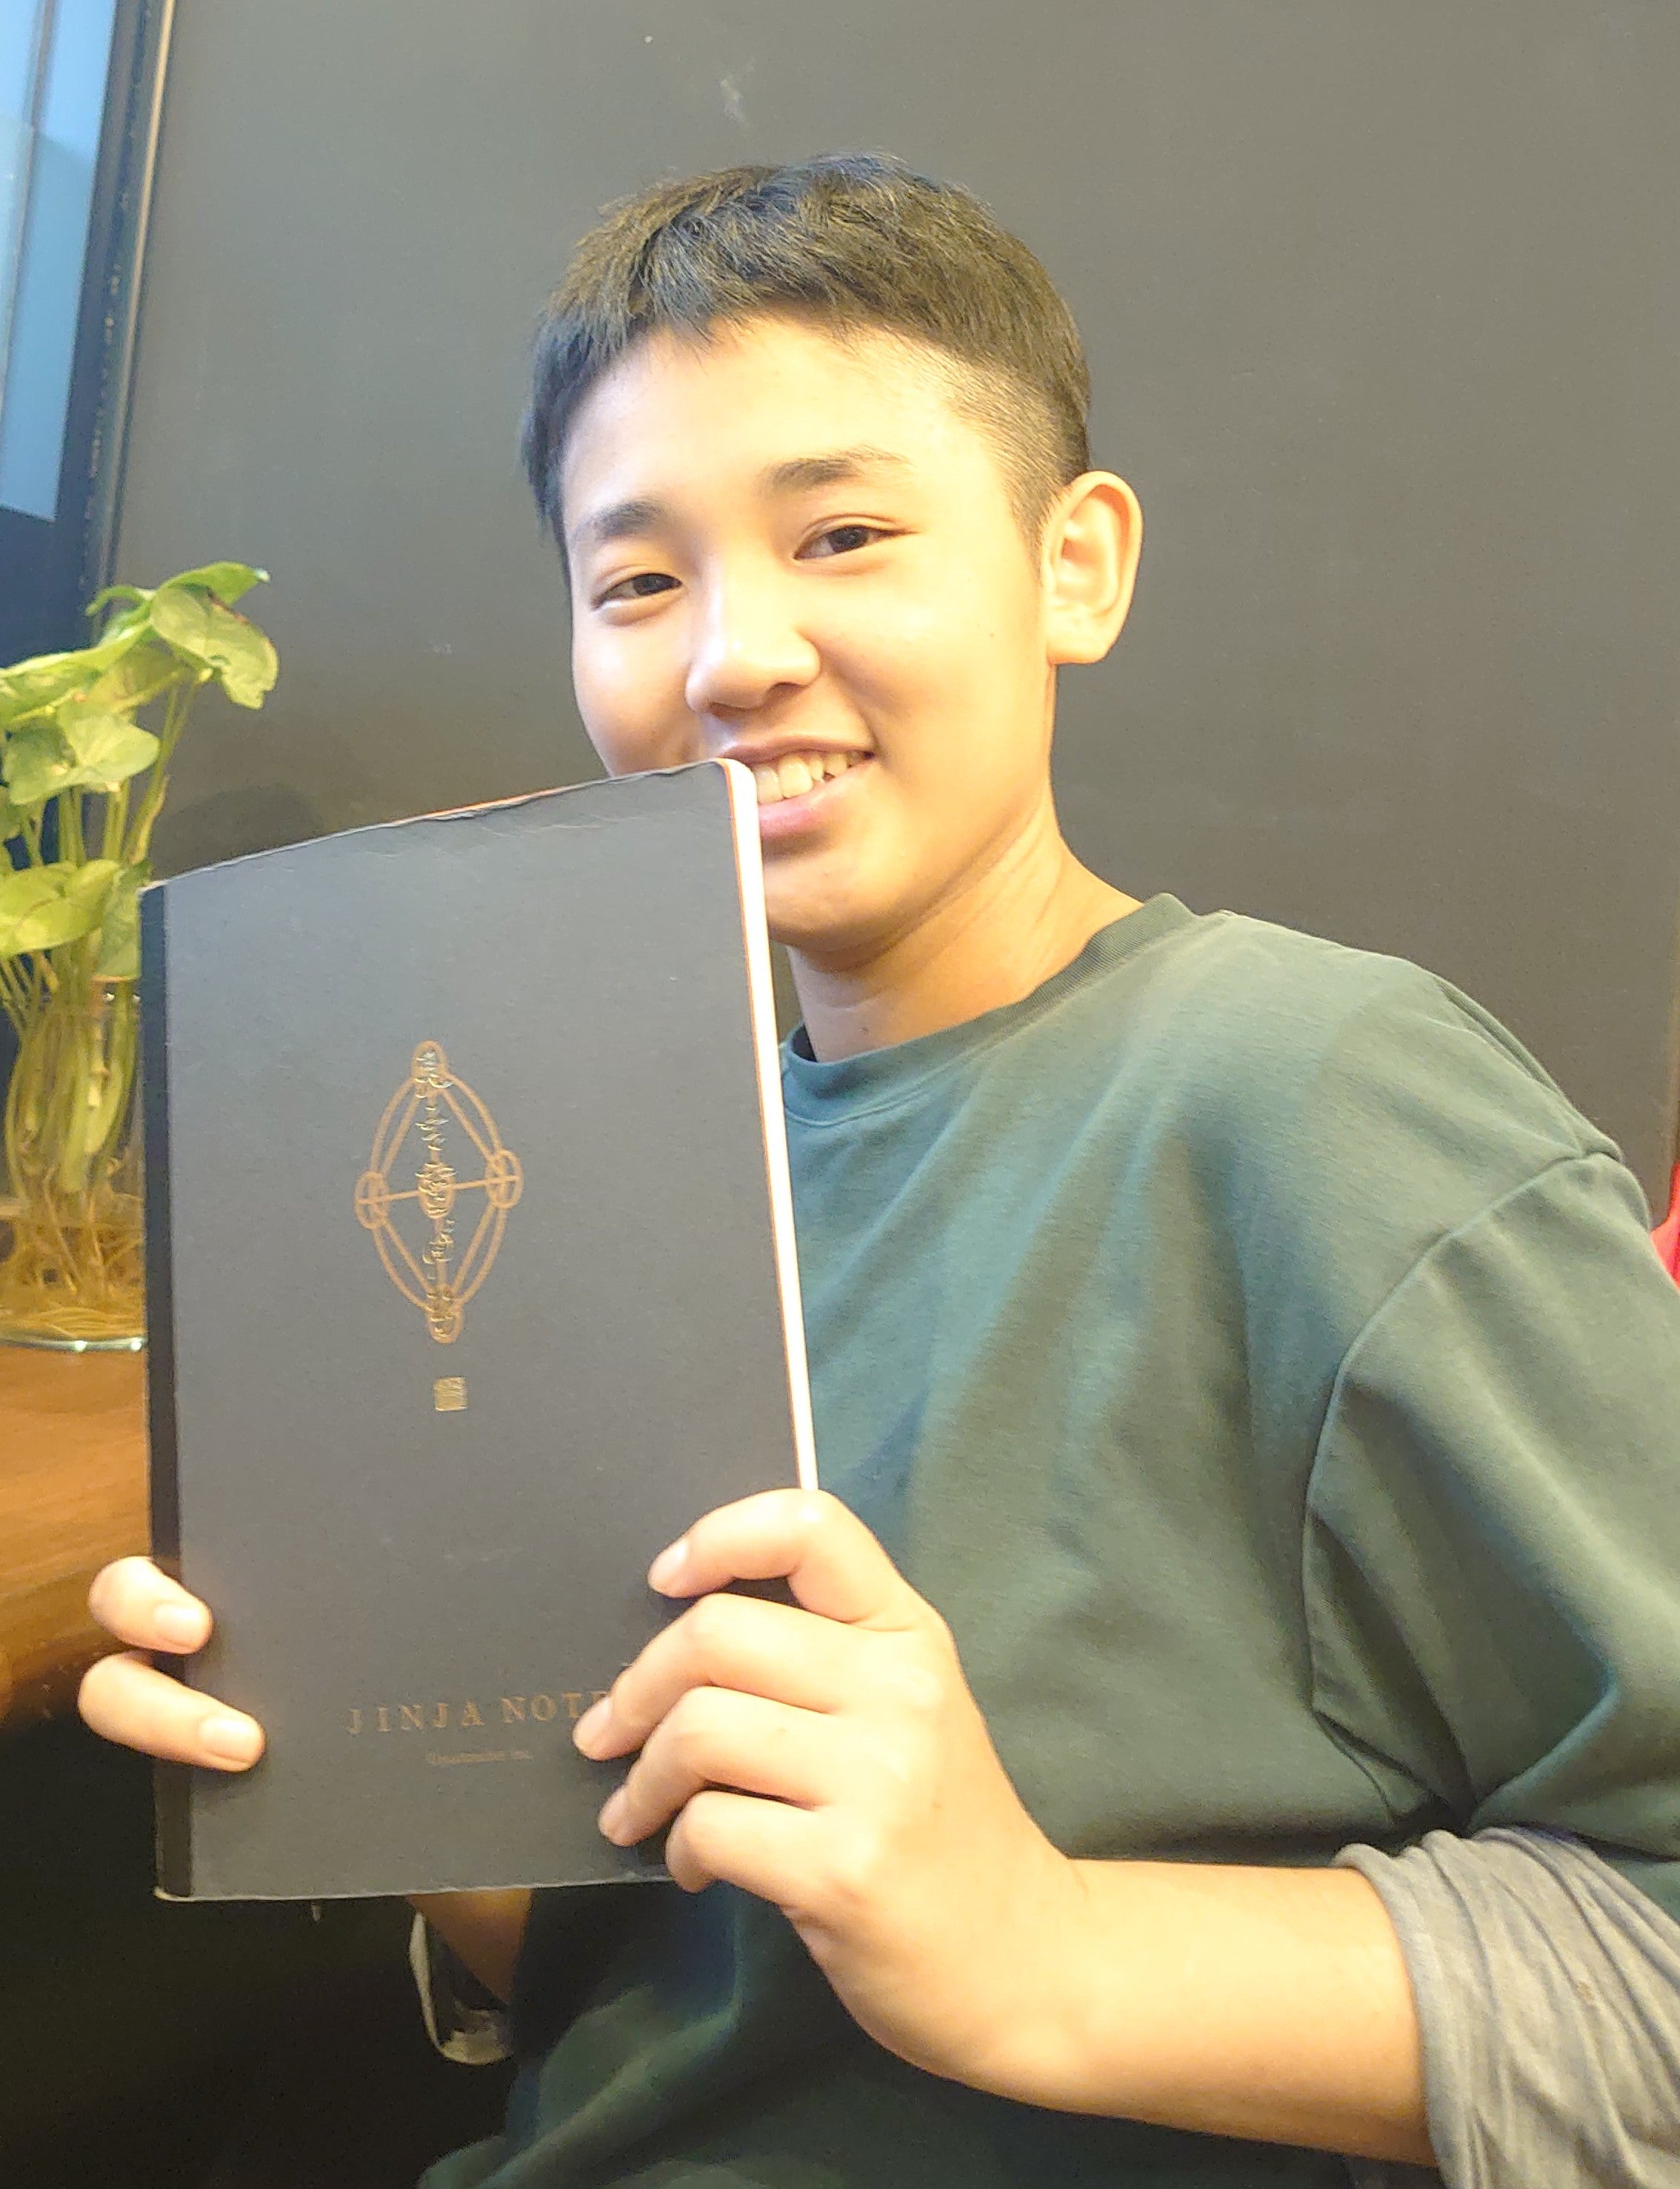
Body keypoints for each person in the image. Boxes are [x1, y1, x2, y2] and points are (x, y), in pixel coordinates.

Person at [79, 155, 1680, 2187]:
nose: (731, 655)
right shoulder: (602, 1173)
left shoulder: (1326, 1103)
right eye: (635, 582)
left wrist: (1041, 1946)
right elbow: (640, 1986)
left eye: (840, 534)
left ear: (1073, 566)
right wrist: (342, 1739)